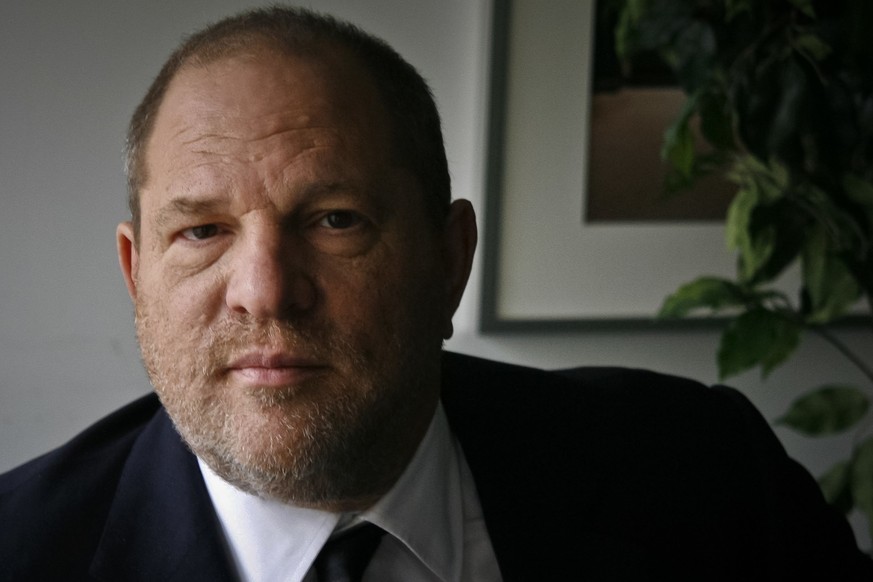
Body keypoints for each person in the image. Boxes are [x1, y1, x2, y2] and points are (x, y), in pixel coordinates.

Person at [0, 6, 870, 581]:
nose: (264, 292)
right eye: (201, 232)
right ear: (136, 275)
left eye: (335, 220)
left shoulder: (704, 478)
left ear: (449, 258)